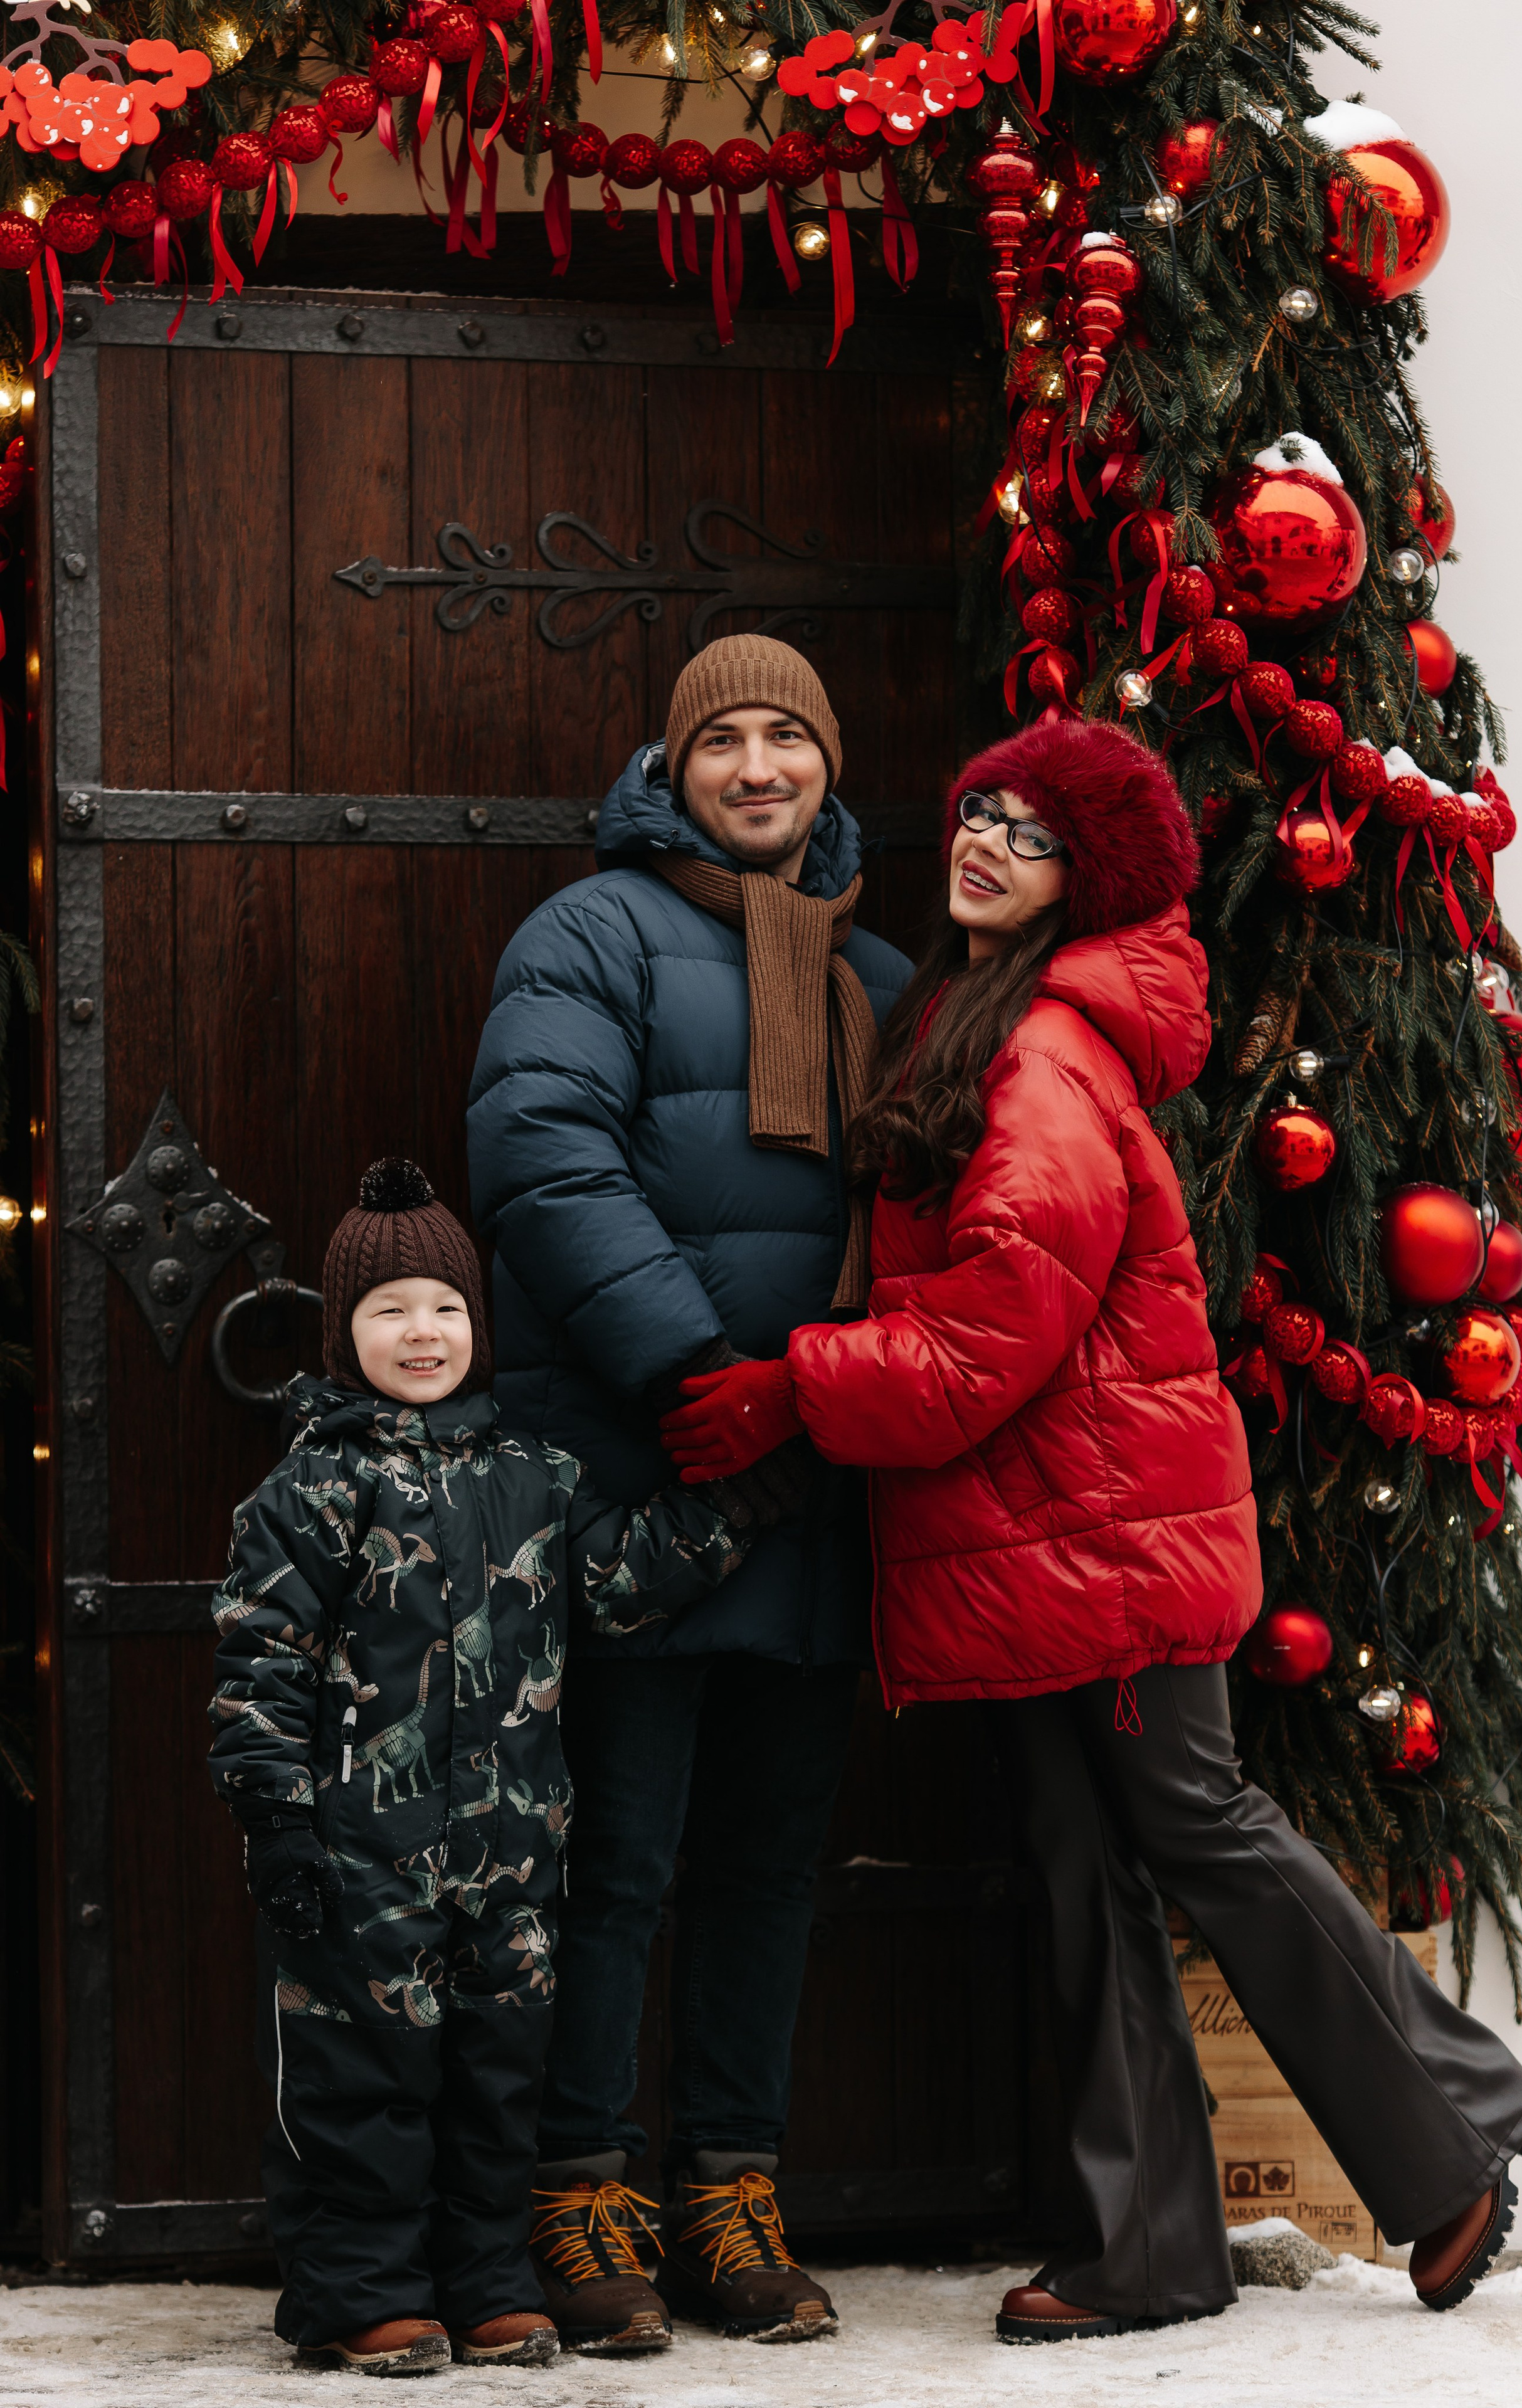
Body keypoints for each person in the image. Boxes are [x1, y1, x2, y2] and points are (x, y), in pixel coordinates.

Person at [662, 717, 1522, 2342]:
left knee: (1197, 1823)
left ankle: (1455, 2124)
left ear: (1088, 881)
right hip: (1041, 1539)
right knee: (1082, 1865)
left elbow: (996, 1325)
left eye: (1033, 833)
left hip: (1107, 1526)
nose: (986, 842)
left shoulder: (1046, 1053)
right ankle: (1139, 2246)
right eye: (979, 812)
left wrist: (797, 1388)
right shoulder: (974, 1016)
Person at [467, 636, 911, 2352]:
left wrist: (817, 1401)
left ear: (826, 766)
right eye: (720, 739)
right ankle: (577, 2194)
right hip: (634, 1478)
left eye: (786, 736)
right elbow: (541, 1156)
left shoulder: (876, 970)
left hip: (807, 1484)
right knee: (614, 1860)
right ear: (672, 768)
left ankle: (732, 2190)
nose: (755, 767)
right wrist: (688, 1370)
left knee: (765, 1865)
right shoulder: (588, 935)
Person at [208, 1159, 755, 2378]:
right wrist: (279, 1825)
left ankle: (486, 2281)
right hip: (361, 1863)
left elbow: (620, 1581)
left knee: (497, 2080)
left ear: (477, 1325)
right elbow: (260, 1669)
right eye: (390, 1309)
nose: (422, 1332)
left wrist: (739, 1502)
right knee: (364, 2080)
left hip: (510, 1862)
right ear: (346, 1334)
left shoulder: (533, 1473)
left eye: (445, 1308)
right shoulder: (313, 1489)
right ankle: (365, 2293)